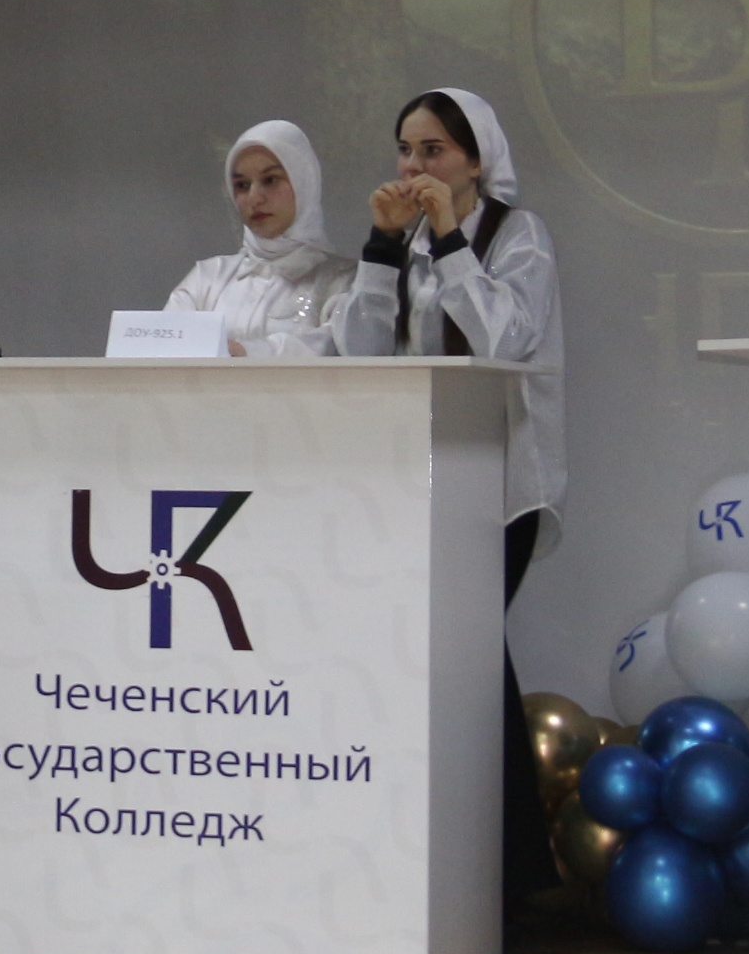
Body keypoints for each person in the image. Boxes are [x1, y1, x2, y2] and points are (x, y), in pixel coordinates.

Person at [332, 88, 566, 912]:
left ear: (475, 158)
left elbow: (506, 338)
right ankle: (487, 866)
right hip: (419, 481)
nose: (413, 166)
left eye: (432, 151)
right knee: (454, 659)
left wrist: (454, 241)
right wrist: (379, 248)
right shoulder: (404, 243)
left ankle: (510, 873)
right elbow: (358, 353)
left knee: (467, 654)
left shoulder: (517, 234)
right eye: (406, 149)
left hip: (497, 487)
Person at [163, 121, 348, 355]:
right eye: (242, 185)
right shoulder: (207, 278)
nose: (254, 198)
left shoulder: (343, 282)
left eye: (270, 180)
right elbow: (162, 351)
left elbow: (340, 349)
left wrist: (243, 352)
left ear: (304, 181)